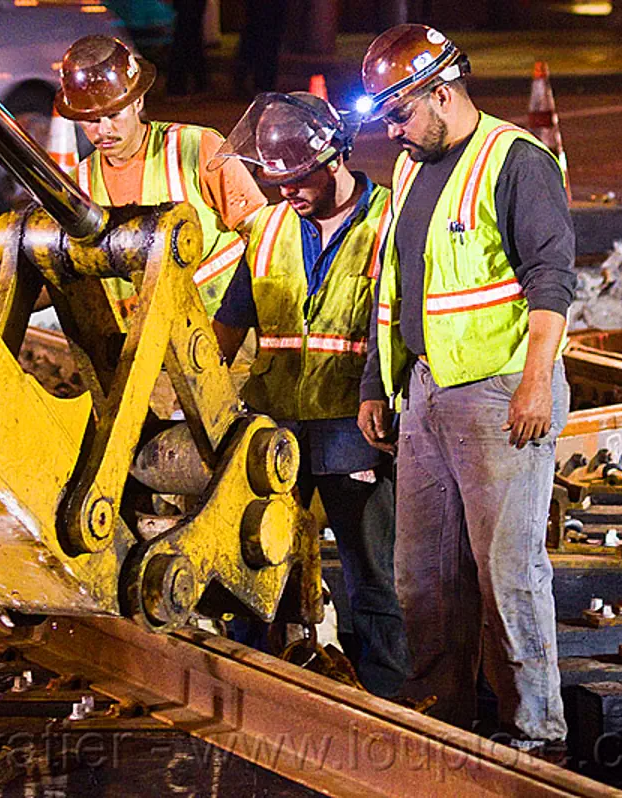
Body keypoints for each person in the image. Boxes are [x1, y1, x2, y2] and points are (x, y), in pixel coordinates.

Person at [356, 25, 576, 756]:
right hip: (426, 394)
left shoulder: (516, 161)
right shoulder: (411, 167)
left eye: (400, 114)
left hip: (502, 393)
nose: (392, 132)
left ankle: (535, 736)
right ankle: (442, 719)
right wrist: (377, 382)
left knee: (506, 576)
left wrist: (536, 385)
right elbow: (394, 286)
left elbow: (552, 282)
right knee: (422, 578)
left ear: (443, 95)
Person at [210, 92, 408, 698]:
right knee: (256, 560)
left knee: (369, 575)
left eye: (299, 178)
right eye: (280, 180)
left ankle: (386, 697)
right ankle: (258, 687)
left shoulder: (389, 223)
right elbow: (229, 323)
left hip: (356, 427)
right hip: (274, 429)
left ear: (337, 159)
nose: (288, 192)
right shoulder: (267, 229)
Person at [55, 35, 267, 318]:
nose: (103, 130)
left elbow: (264, 237)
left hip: (224, 337)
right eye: (91, 120)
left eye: (114, 115)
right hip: (140, 350)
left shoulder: (196, 148)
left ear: (137, 102)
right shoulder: (77, 186)